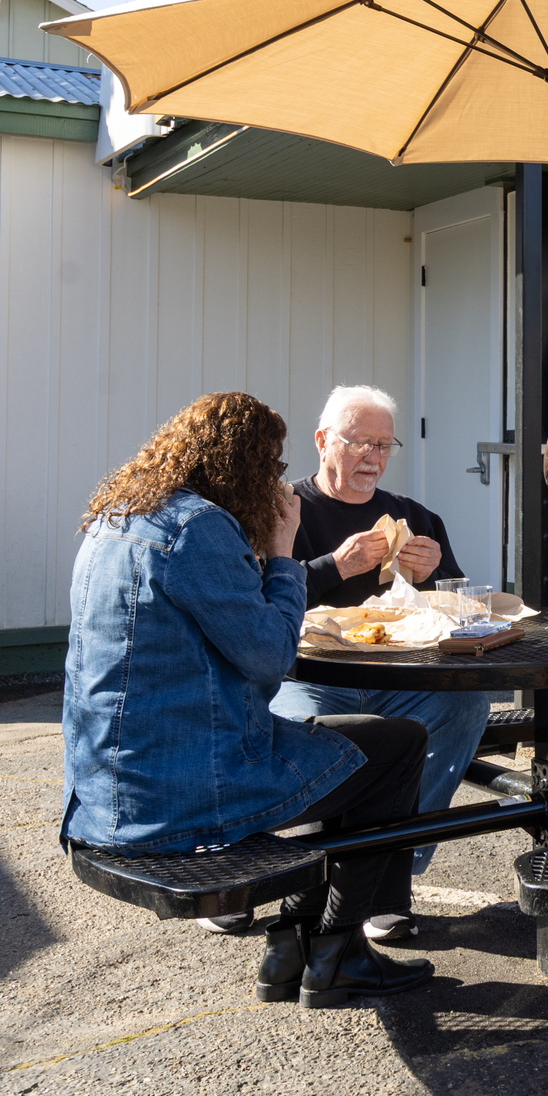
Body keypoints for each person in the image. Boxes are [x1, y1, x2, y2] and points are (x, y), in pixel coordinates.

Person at [62, 391, 433, 1007]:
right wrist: (284, 554)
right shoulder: (198, 528)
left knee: (347, 741)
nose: (276, 481)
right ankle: (337, 953)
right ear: (238, 463)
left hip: (106, 788)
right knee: (395, 744)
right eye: (270, 464)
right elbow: (268, 656)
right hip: (182, 789)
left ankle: (292, 945)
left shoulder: (118, 517)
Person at [264, 384, 491, 942]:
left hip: (402, 680)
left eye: (385, 446)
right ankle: (283, 873)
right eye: (360, 442)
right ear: (322, 441)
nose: (374, 457)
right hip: (313, 678)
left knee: (466, 704)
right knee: (295, 731)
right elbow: (252, 603)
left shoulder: (415, 517)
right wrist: (330, 568)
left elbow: (459, 610)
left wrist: (434, 576)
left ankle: (388, 870)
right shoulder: (282, 510)